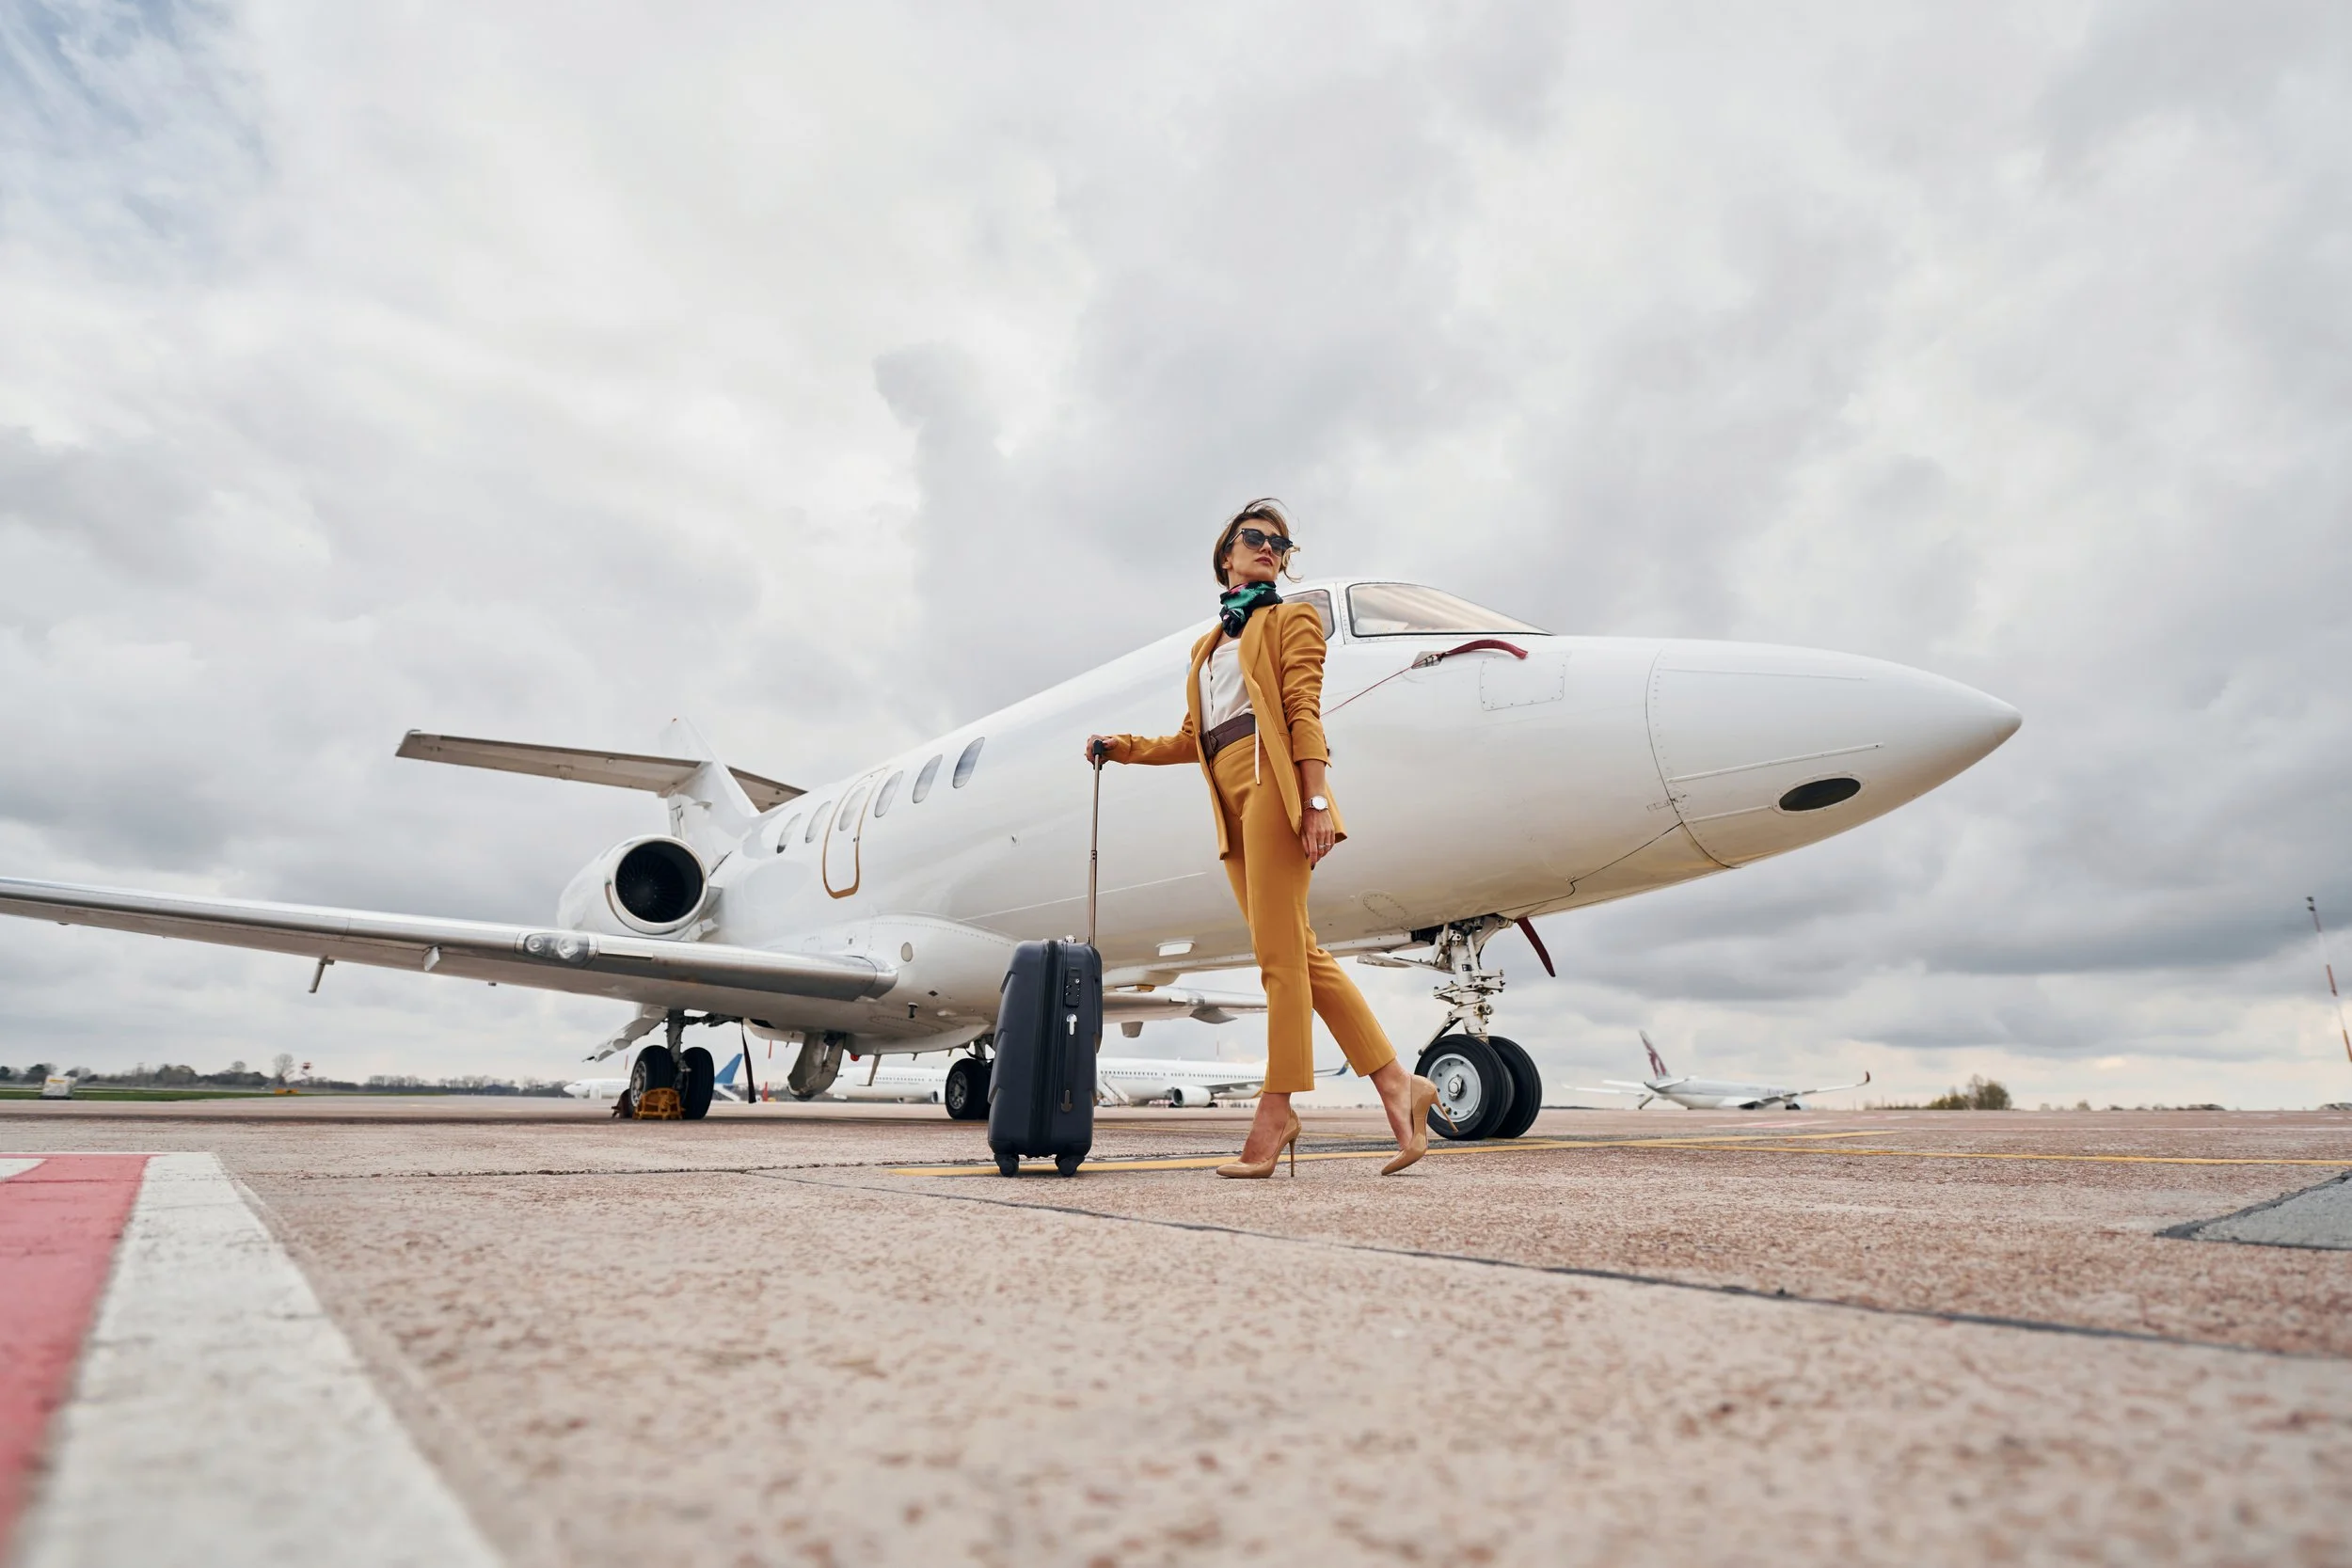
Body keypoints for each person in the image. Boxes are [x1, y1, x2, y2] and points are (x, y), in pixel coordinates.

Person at [1086, 499, 1447, 1178]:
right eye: (1255, 537)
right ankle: (1399, 1083)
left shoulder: (1291, 619)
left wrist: (1314, 801)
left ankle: (1276, 1109)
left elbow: (1304, 713)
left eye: (1280, 545)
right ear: (1226, 553)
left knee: (1278, 961)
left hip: (1271, 787)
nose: (1269, 549)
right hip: (1230, 800)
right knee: (1300, 955)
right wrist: (1122, 746)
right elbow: (1193, 739)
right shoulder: (1206, 649)